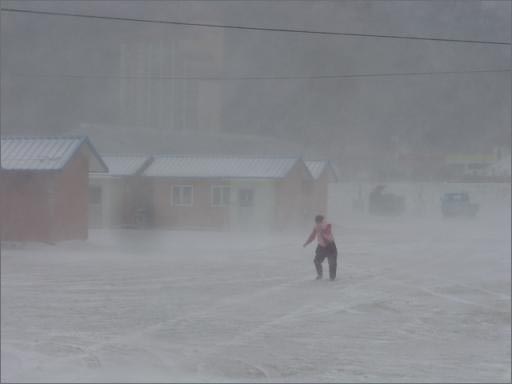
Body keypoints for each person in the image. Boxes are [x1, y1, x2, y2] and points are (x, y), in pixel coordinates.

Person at [303, 214, 338, 281]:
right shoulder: (316, 227)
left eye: (318, 222)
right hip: (321, 246)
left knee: (332, 262)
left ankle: (332, 278)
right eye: (316, 222)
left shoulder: (327, 225)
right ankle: (320, 275)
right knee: (317, 261)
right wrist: (306, 243)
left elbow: (327, 232)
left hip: (330, 246)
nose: (317, 223)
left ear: (321, 221)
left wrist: (322, 229)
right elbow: (312, 236)